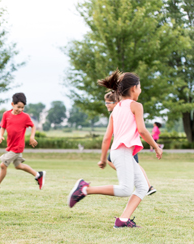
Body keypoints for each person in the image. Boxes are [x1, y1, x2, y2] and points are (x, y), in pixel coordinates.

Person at [68, 70, 163, 228]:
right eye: (139, 87)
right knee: (126, 189)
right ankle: (85, 189)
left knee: (143, 187)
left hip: (119, 152)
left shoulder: (116, 109)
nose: (140, 90)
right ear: (133, 88)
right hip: (123, 152)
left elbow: (106, 138)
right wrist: (156, 147)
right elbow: (142, 131)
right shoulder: (136, 106)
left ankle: (123, 220)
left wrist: (103, 158)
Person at [0, 93, 45, 194]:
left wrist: (32, 137)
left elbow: (33, 126)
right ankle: (38, 175)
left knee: (3, 165)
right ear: (12, 104)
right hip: (11, 145)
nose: (20, 109)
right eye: (18, 107)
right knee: (18, 166)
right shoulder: (6, 115)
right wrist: (0, 136)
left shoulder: (25, 117)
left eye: (22, 107)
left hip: (17, 146)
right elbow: (2, 127)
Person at [104, 91, 156, 196]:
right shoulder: (116, 113)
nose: (106, 105)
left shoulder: (124, 110)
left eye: (108, 102)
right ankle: (143, 183)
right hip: (122, 146)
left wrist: (155, 145)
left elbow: (141, 129)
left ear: (116, 102)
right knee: (120, 163)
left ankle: (147, 185)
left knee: (128, 181)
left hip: (126, 145)